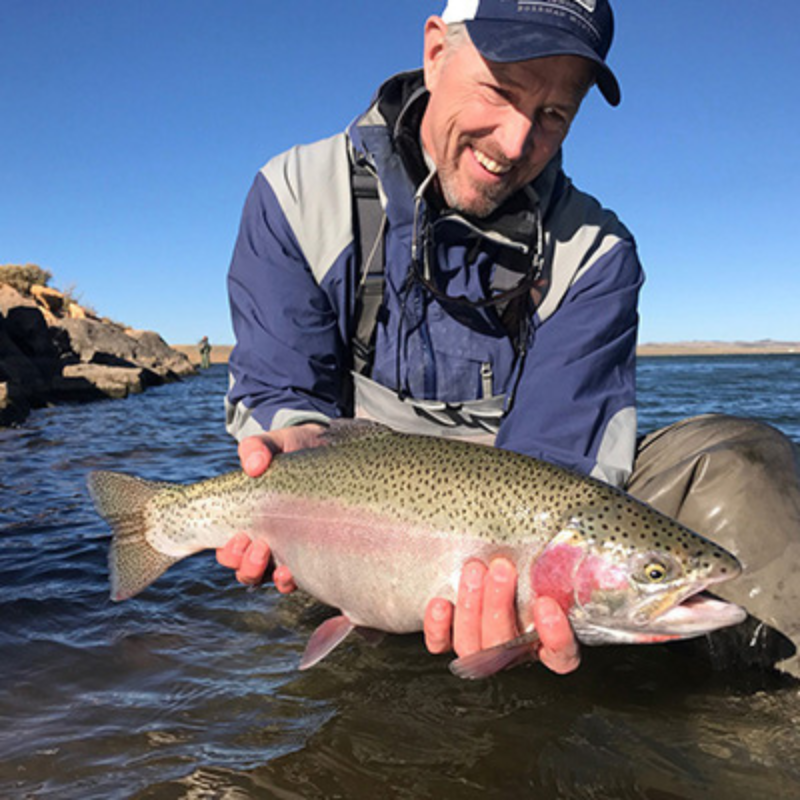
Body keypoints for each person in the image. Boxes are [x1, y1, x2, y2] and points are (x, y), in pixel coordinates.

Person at [218, 0, 800, 678]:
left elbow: (561, 463)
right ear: (436, 52)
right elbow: (281, 391)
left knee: (745, 463)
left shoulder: (597, 251)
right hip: (349, 520)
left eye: (554, 115)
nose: (517, 141)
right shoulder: (296, 193)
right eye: (500, 90)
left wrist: (522, 583)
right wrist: (286, 465)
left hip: (517, 522)